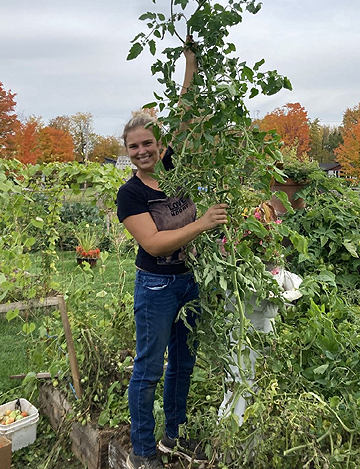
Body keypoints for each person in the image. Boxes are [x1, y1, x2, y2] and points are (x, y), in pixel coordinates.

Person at [117, 43, 228, 469]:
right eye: (133, 147)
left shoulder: (176, 168)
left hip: (190, 280)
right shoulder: (131, 194)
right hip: (158, 287)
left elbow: (184, 112)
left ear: (160, 145)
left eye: (148, 143)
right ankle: (143, 450)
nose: (142, 151)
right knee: (149, 369)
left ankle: (172, 437)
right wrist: (202, 224)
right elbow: (154, 244)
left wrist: (190, 60)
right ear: (127, 152)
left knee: (184, 362)